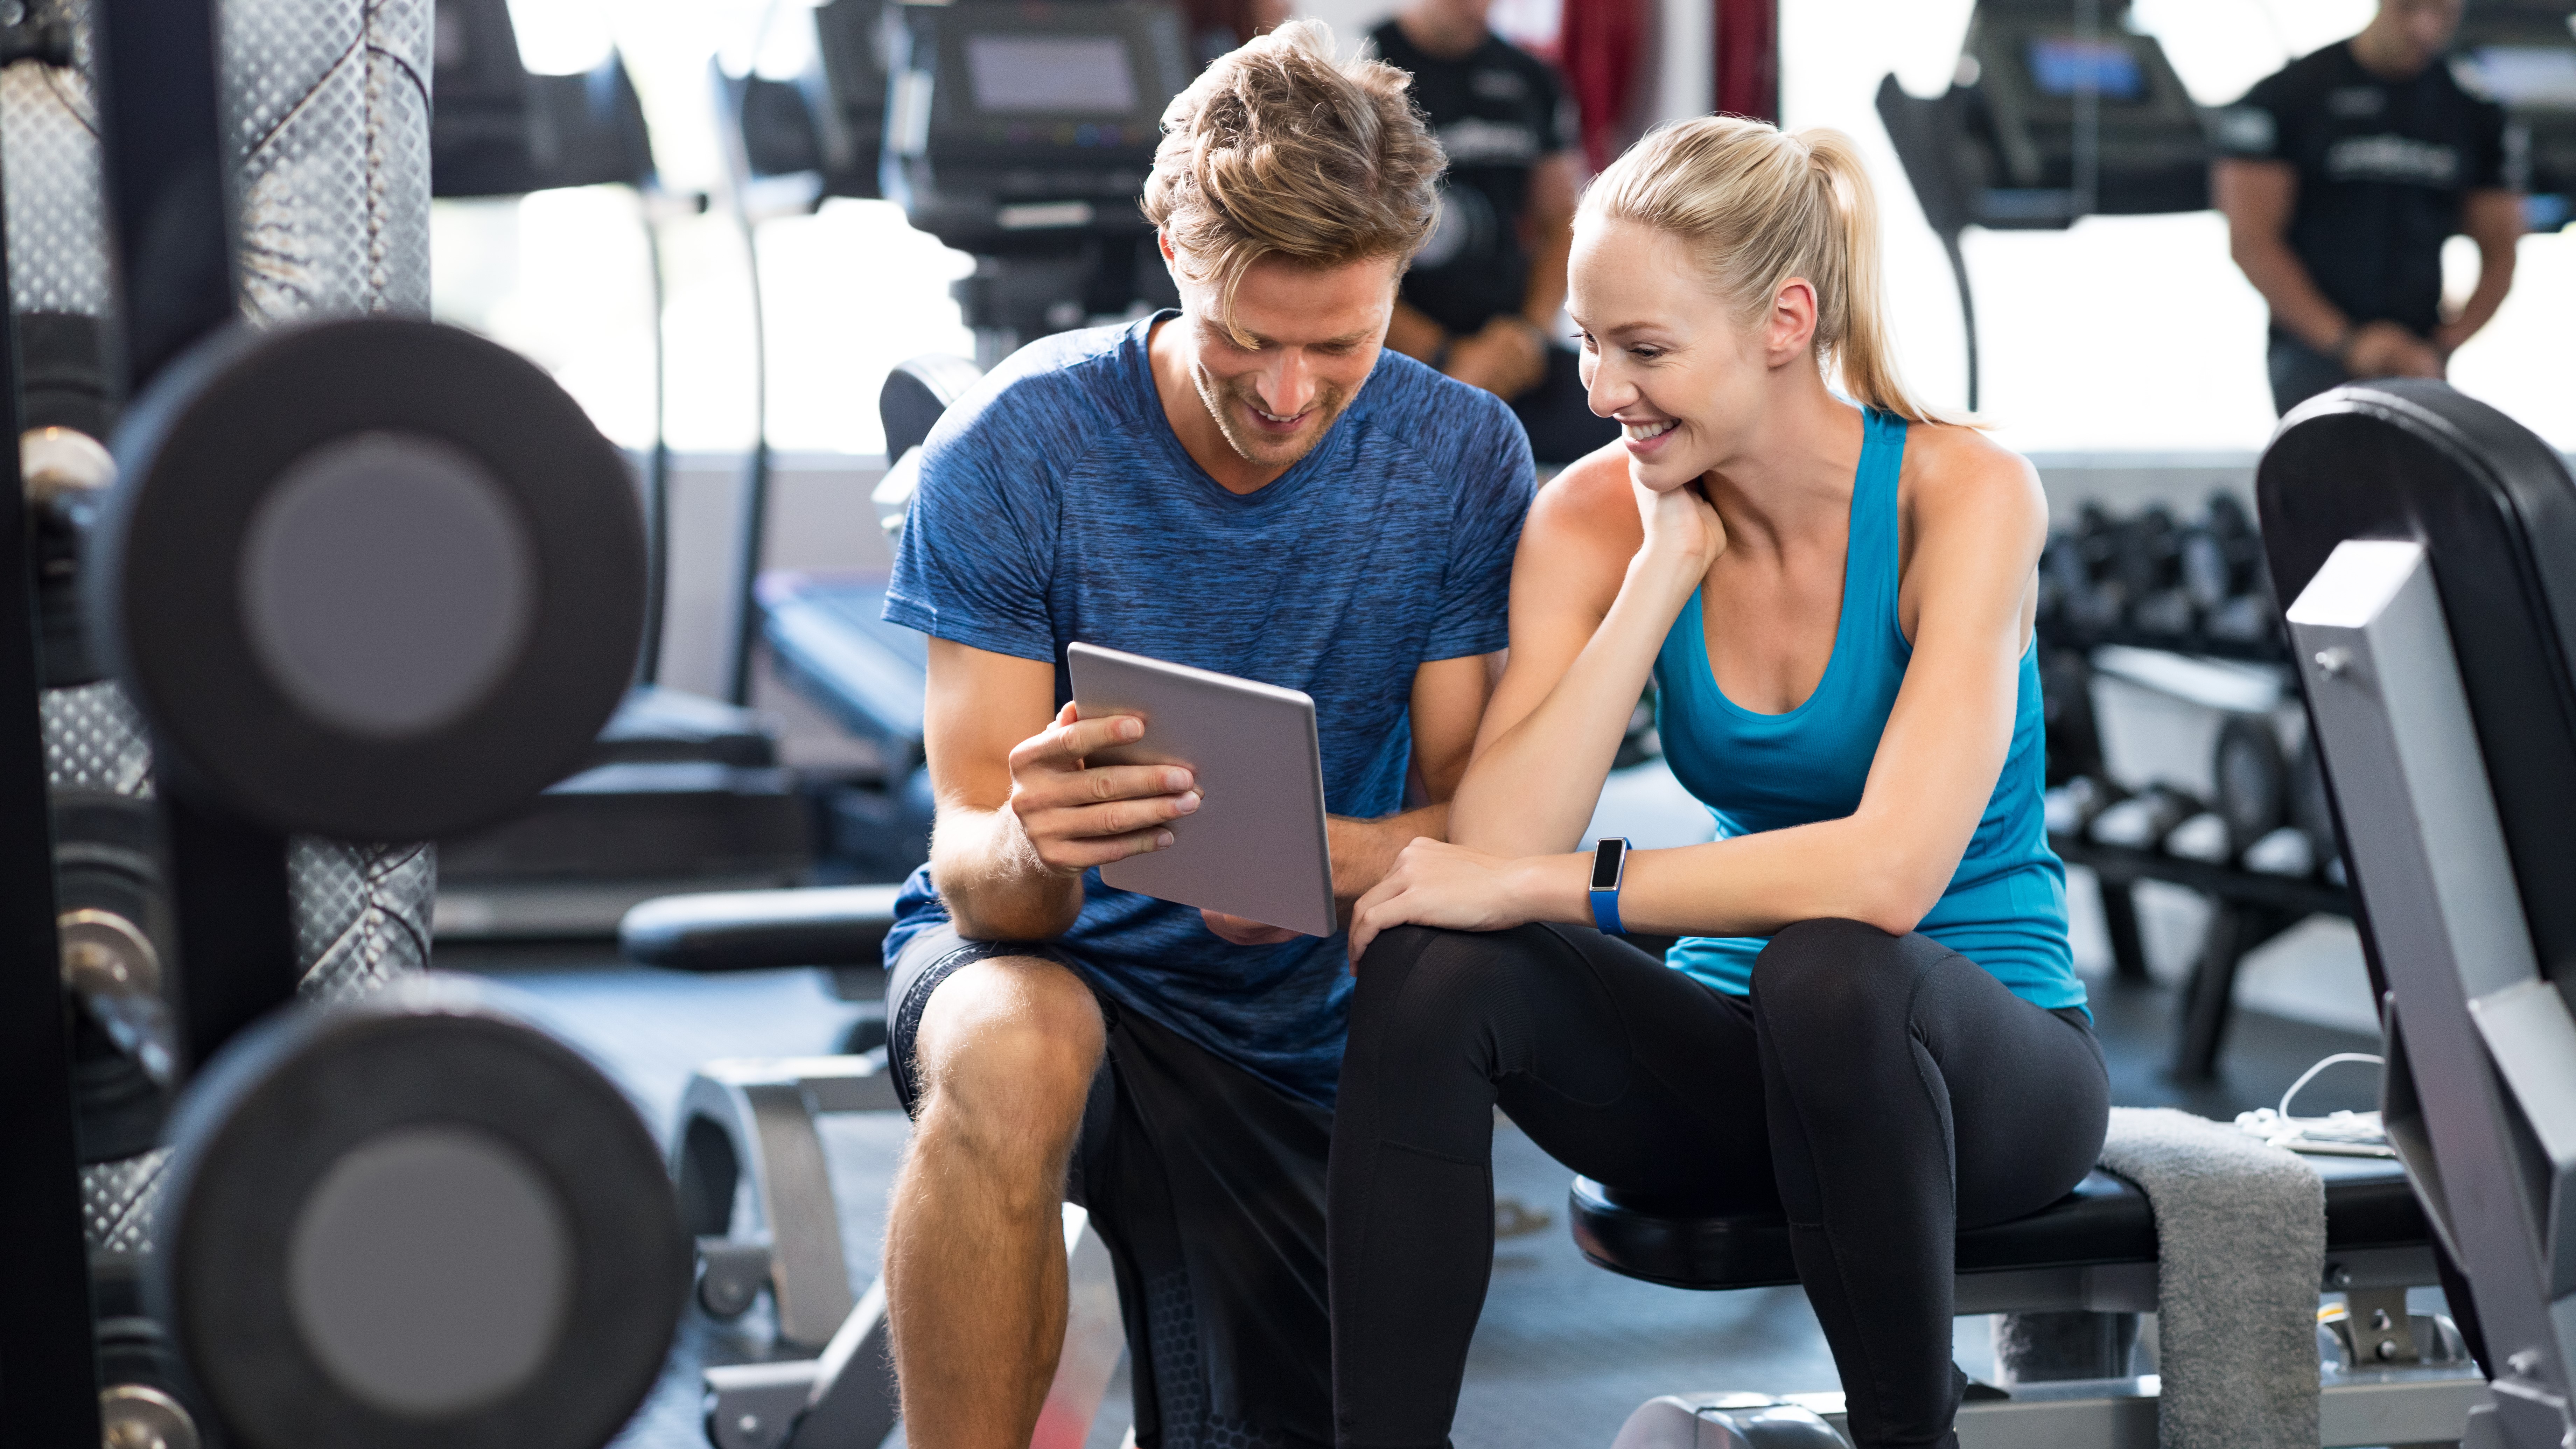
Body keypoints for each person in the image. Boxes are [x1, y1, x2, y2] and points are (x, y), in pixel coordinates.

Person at [1324, 117, 2109, 1449]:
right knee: (1435, 957)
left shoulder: (1961, 493)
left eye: (1645, 349)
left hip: (1976, 1074)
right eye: (1587, 340)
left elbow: (1887, 874)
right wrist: (1654, 579)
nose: (1601, 384)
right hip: (1731, 1076)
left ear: (1784, 321)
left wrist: (1534, 884)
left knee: (1832, 964)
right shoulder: (1591, 510)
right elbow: (1499, 846)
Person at [874, 22, 1533, 1449]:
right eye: (1246, 334)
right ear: (1173, 249)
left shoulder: (1462, 456)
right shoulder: (1015, 447)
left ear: (1399, 282)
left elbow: (1481, 821)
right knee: (1013, 1040)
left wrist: (1314, 863)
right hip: (1048, 966)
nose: (1286, 395)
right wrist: (1037, 845)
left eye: (1338, 345)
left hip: (1304, 1024)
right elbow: (971, 864)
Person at [2215, 0, 2525, 415]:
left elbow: (2502, 248)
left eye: (2443, 15)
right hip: (2312, 350)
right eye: (2409, 10)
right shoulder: (2288, 96)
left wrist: (2444, 342)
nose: (2424, 28)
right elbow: (2252, 242)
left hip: (2419, 357)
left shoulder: (2475, 113)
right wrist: (2346, 342)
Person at [1369, 0, 1615, 465]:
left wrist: (1529, 335)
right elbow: (1337, 252)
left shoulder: (1531, 77)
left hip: (1512, 350)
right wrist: (1443, 357)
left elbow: (1562, 221)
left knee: (1626, 430)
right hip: (1396, 352)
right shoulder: (1360, 69)